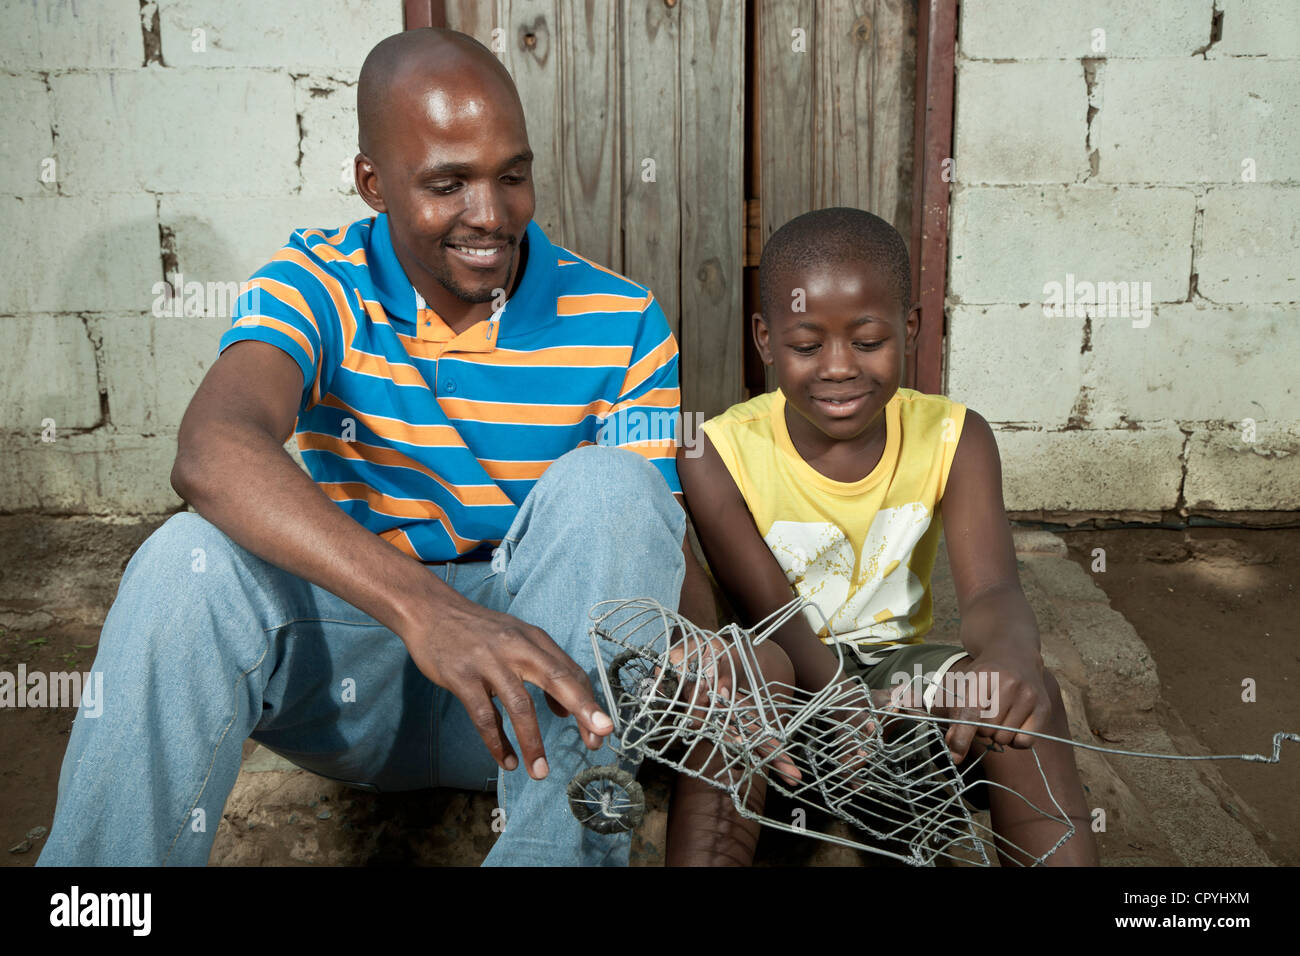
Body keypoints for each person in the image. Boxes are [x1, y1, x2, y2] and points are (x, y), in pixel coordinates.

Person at [37, 27, 717, 867]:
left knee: (613, 489)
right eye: (448, 184)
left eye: (513, 175)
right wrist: (429, 611)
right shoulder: (315, 282)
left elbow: (638, 574)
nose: (492, 215)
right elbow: (212, 447)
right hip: (352, 685)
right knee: (187, 563)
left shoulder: (624, 321)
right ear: (372, 183)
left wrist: (719, 661)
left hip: (542, 699)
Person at [670, 207, 1100, 866]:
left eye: (868, 341)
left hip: (901, 690)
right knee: (743, 678)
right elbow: (770, 612)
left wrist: (1013, 657)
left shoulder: (957, 438)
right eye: (807, 345)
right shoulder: (715, 451)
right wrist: (845, 704)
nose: (839, 368)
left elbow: (991, 592)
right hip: (780, 695)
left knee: (1015, 695)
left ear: (910, 328)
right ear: (764, 339)